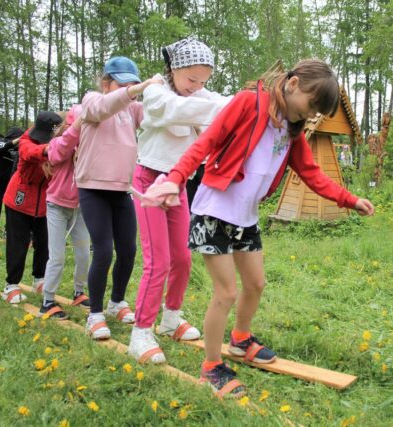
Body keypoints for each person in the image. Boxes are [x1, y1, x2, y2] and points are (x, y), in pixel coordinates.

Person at [143, 59, 375, 396]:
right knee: (226, 292)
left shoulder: (291, 128)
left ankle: (240, 339)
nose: (311, 115)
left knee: (256, 284)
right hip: (214, 213)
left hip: (246, 217)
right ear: (293, 84)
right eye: (311, 105)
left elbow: (311, 173)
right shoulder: (248, 102)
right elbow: (205, 143)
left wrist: (349, 200)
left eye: (316, 113)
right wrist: (175, 178)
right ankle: (211, 367)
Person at [129, 38, 231, 364]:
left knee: (183, 258)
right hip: (148, 182)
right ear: (174, 69)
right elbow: (177, 110)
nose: (197, 87)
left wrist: (248, 103)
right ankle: (141, 332)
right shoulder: (156, 92)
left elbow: (220, 103)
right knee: (157, 260)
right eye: (192, 79)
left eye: (203, 81)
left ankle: (171, 316)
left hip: (177, 185)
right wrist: (229, 109)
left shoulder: (200, 97)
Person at [76, 56, 162, 340]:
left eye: (132, 84)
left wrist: (166, 90)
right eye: (122, 84)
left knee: (128, 250)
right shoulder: (91, 101)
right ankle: (95, 314)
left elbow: (157, 116)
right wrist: (137, 89)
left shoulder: (131, 109)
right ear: (106, 84)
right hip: (93, 188)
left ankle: (116, 302)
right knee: (103, 251)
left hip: (122, 190)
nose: (128, 90)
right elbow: (104, 108)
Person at [0, 112, 63, 304]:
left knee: (44, 243)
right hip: (19, 200)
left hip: (46, 202)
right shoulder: (27, 139)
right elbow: (29, 152)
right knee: (18, 243)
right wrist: (50, 148)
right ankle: (11, 285)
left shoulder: (63, 142)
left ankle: (39, 279)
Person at [39, 105, 91, 320]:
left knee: (84, 253)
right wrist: (75, 135)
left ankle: (79, 291)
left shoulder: (89, 146)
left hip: (80, 208)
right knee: (57, 256)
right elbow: (60, 152)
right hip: (57, 207)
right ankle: (48, 300)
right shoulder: (58, 144)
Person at [0, 128, 24, 236]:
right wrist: (19, 139)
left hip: (9, 181)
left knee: (10, 206)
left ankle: (8, 229)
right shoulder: (1, 142)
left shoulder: (20, 148)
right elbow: (4, 146)